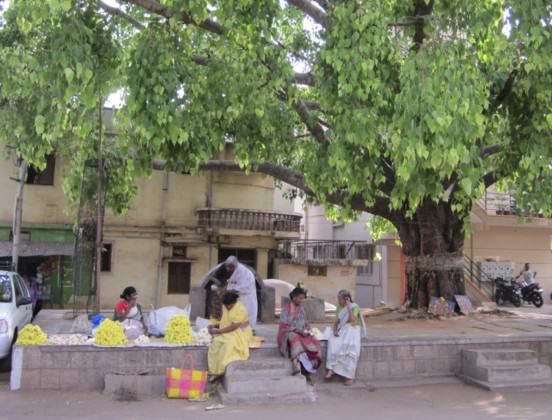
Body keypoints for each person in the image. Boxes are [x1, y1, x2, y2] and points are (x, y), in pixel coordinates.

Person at [277, 287, 321, 383]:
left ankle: (308, 370)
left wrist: (308, 329)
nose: (302, 300)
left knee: (314, 340)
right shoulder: (286, 309)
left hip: (301, 332)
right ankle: (295, 364)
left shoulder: (302, 309)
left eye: (303, 298)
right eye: (300, 298)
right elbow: (284, 325)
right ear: (293, 297)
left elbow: (306, 322)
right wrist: (299, 331)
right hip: (287, 332)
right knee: (295, 338)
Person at [207, 291, 252, 380]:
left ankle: (220, 370)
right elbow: (225, 323)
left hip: (239, 332)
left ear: (234, 302)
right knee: (215, 343)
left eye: (229, 305)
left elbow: (233, 327)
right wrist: (215, 326)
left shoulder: (240, 309)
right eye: (226, 305)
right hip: (227, 332)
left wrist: (218, 331)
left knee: (228, 345)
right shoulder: (227, 308)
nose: (227, 307)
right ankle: (213, 371)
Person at [325, 290, 365, 386]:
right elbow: (336, 322)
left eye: (340, 299)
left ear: (346, 299)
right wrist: (334, 331)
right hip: (343, 329)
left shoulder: (354, 307)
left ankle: (350, 377)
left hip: (353, 329)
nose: (338, 301)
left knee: (351, 349)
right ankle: (332, 369)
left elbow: (352, 320)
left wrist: (348, 306)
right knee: (332, 341)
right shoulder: (339, 307)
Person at [224, 256, 258, 330]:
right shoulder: (235, 270)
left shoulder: (244, 273)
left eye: (230, 267)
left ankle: (249, 330)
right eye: (227, 267)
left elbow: (243, 287)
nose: (228, 269)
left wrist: (229, 291)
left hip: (246, 298)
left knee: (246, 314)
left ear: (234, 266)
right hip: (239, 296)